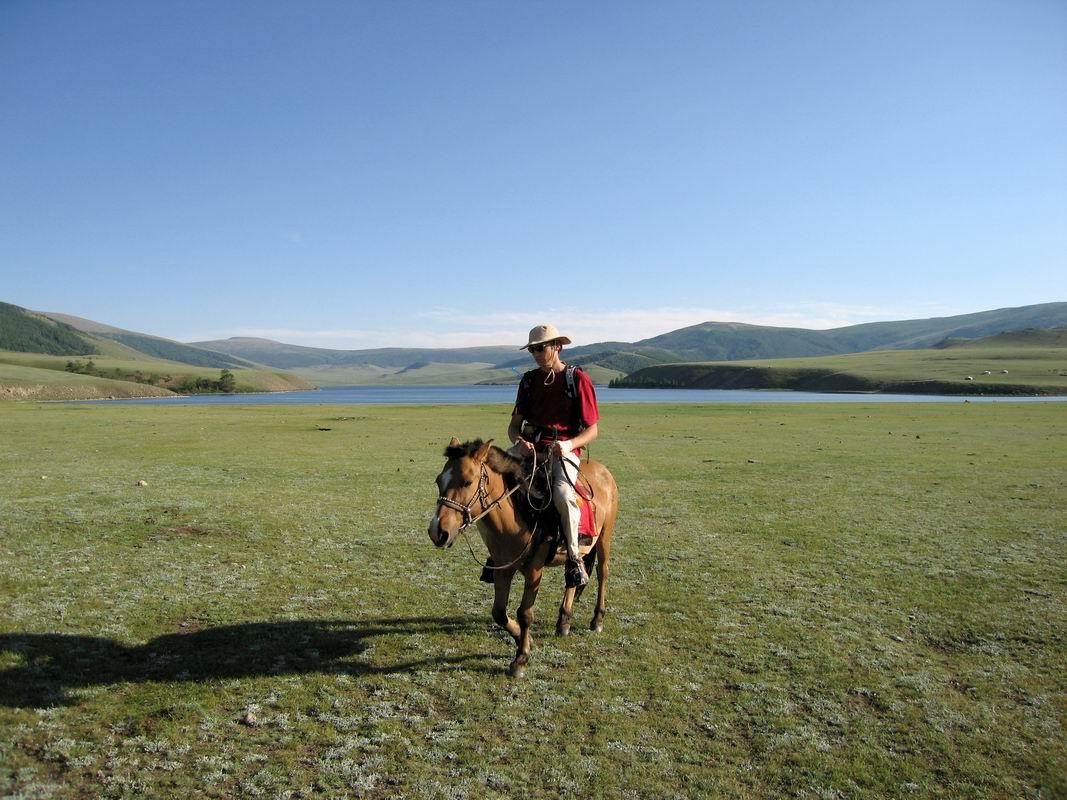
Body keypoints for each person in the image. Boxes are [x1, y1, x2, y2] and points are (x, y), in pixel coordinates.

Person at [508, 324, 600, 588]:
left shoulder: (576, 379)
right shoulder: (528, 381)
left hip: (562, 450)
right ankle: (499, 552)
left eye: (541, 348)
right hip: (531, 448)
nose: (536, 353)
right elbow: (513, 426)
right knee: (495, 478)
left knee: (562, 494)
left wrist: (570, 444)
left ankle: (574, 559)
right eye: (533, 349)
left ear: (557, 346)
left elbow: (593, 430)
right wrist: (519, 441)